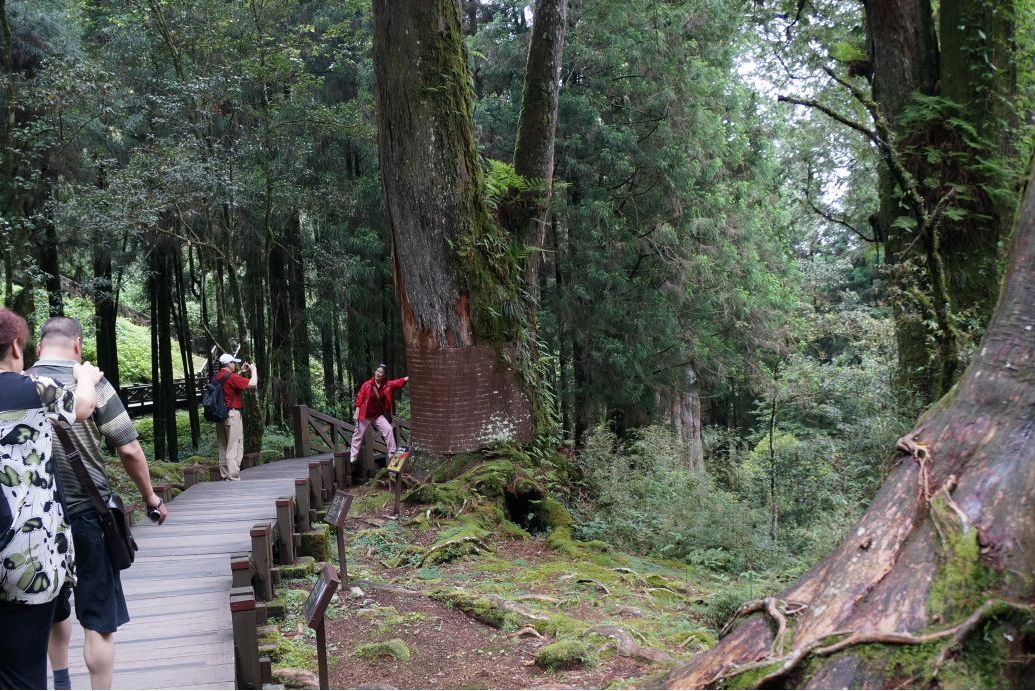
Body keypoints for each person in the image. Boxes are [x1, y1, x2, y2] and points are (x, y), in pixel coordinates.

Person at [29, 317, 169, 690]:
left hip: (39, 521)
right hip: (89, 513)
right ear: (77, 345)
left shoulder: (23, 385)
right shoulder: (91, 383)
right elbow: (127, 447)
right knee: (98, 619)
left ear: (37, 348)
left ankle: (61, 681)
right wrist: (150, 497)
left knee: (53, 604)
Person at [0, 309, 101, 690]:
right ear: (15, 346)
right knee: (23, 673)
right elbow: (83, 407)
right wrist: (84, 376)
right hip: (24, 552)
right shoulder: (32, 389)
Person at [349, 364, 408, 464]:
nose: (378, 373)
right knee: (358, 434)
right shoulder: (367, 384)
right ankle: (353, 456)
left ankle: (391, 453)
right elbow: (359, 398)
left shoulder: (387, 385)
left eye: (380, 372)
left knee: (388, 429)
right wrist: (357, 412)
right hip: (365, 415)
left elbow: (398, 383)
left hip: (377, 415)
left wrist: (407, 378)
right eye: (377, 371)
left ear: (384, 375)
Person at [214, 353, 258, 481]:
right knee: (234, 445)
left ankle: (225, 475)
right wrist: (253, 371)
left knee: (223, 445)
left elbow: (228, 383)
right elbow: (253, 384)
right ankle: (233, 476)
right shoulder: (232, 377)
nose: (235, 364)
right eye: (233, 362)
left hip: (220, 416)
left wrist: (240, 372)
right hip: (232, 415)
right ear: (228, 364)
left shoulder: (217, 376)